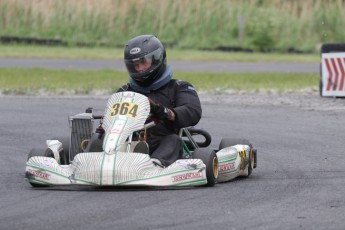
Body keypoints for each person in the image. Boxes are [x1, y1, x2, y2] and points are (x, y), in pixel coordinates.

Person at [117, 34, 202, 167]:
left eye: (143, 63)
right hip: (128, 144)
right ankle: (89, 162)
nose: (139, 69)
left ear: (157, 59)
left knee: (174, 140)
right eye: (135, 65)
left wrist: (165, 112)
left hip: (162, 143)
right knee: (100, 138)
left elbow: (192, 111)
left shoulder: (179, 87)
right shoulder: (125, 91)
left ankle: (154, 165)